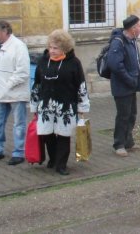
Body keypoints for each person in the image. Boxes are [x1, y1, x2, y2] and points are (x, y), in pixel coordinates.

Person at [30, 29, 89, 175]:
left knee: (63, 135)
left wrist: (82, 106)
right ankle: (53, 158)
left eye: (55, 48)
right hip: (46, 106)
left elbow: (80, 85)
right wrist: (34, 105)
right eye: (50, 47)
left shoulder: (74, 63)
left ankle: (61, 164)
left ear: (64, 48)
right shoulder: (43, 61)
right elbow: (37, 84)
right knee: (47, 133)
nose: (51, 50)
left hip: (66, 106)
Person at [0, 20, 30, 164]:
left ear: (5, 31)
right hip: (0, 94)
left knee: (19, 124)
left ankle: (19, 152)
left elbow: (23, 73)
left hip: (16, 93)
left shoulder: (19, 47)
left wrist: (7, 85)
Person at [108, 15, 140, 157]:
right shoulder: (118, 42)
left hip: (131, 85)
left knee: (131, 114)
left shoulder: (132, 41)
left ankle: (128, 142)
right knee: (123, 116)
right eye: (139, 26)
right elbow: (115, 64)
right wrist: (129, 79)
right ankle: (119, 144)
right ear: (132, 29)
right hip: (122, 86)